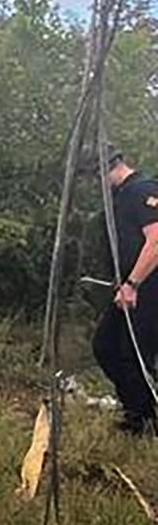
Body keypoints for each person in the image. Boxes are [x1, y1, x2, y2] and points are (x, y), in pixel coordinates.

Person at [94, 147, 158, 435]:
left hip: (147, 288)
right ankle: (139, 407)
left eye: (94, 175)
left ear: (108, 167)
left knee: (132, 355)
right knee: (105, 346)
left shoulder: (140, 191)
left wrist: (133, 284)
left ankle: (142, 422)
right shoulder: (121, 196)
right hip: (128, 290)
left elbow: (156, 240)